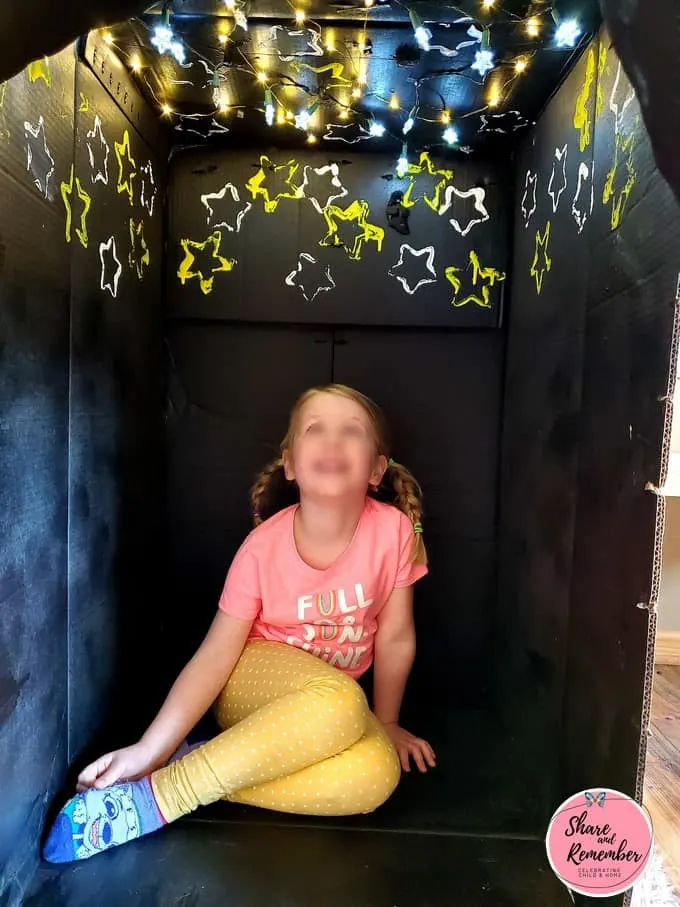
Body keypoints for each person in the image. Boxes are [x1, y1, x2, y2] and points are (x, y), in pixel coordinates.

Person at [43, 383, 436, 863]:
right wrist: (148, 747)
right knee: (342, 700)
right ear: (290, 463)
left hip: (326, 716)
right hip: (250, 684)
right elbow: (213, 658)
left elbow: (395, 638)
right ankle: (162, 795)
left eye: (350, 431)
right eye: (316, 430)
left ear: (377, 468)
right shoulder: (262, 550)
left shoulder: (393, 533)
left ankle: (201, 765)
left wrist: (389, 721)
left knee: (377, 775)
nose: (332, 441)